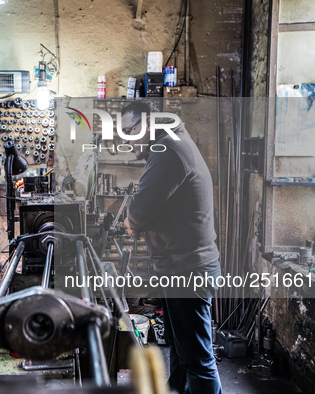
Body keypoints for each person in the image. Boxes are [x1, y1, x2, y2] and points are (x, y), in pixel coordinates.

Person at [121, 100, 222, 394]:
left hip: (188, 270)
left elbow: (141, 207)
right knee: (182, 355)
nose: (127, 139)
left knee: (198, 361)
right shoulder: (171, 143)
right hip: (185, 267)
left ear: (149, 122)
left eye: (130, 130)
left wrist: (132, 223)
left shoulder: (169, 149)